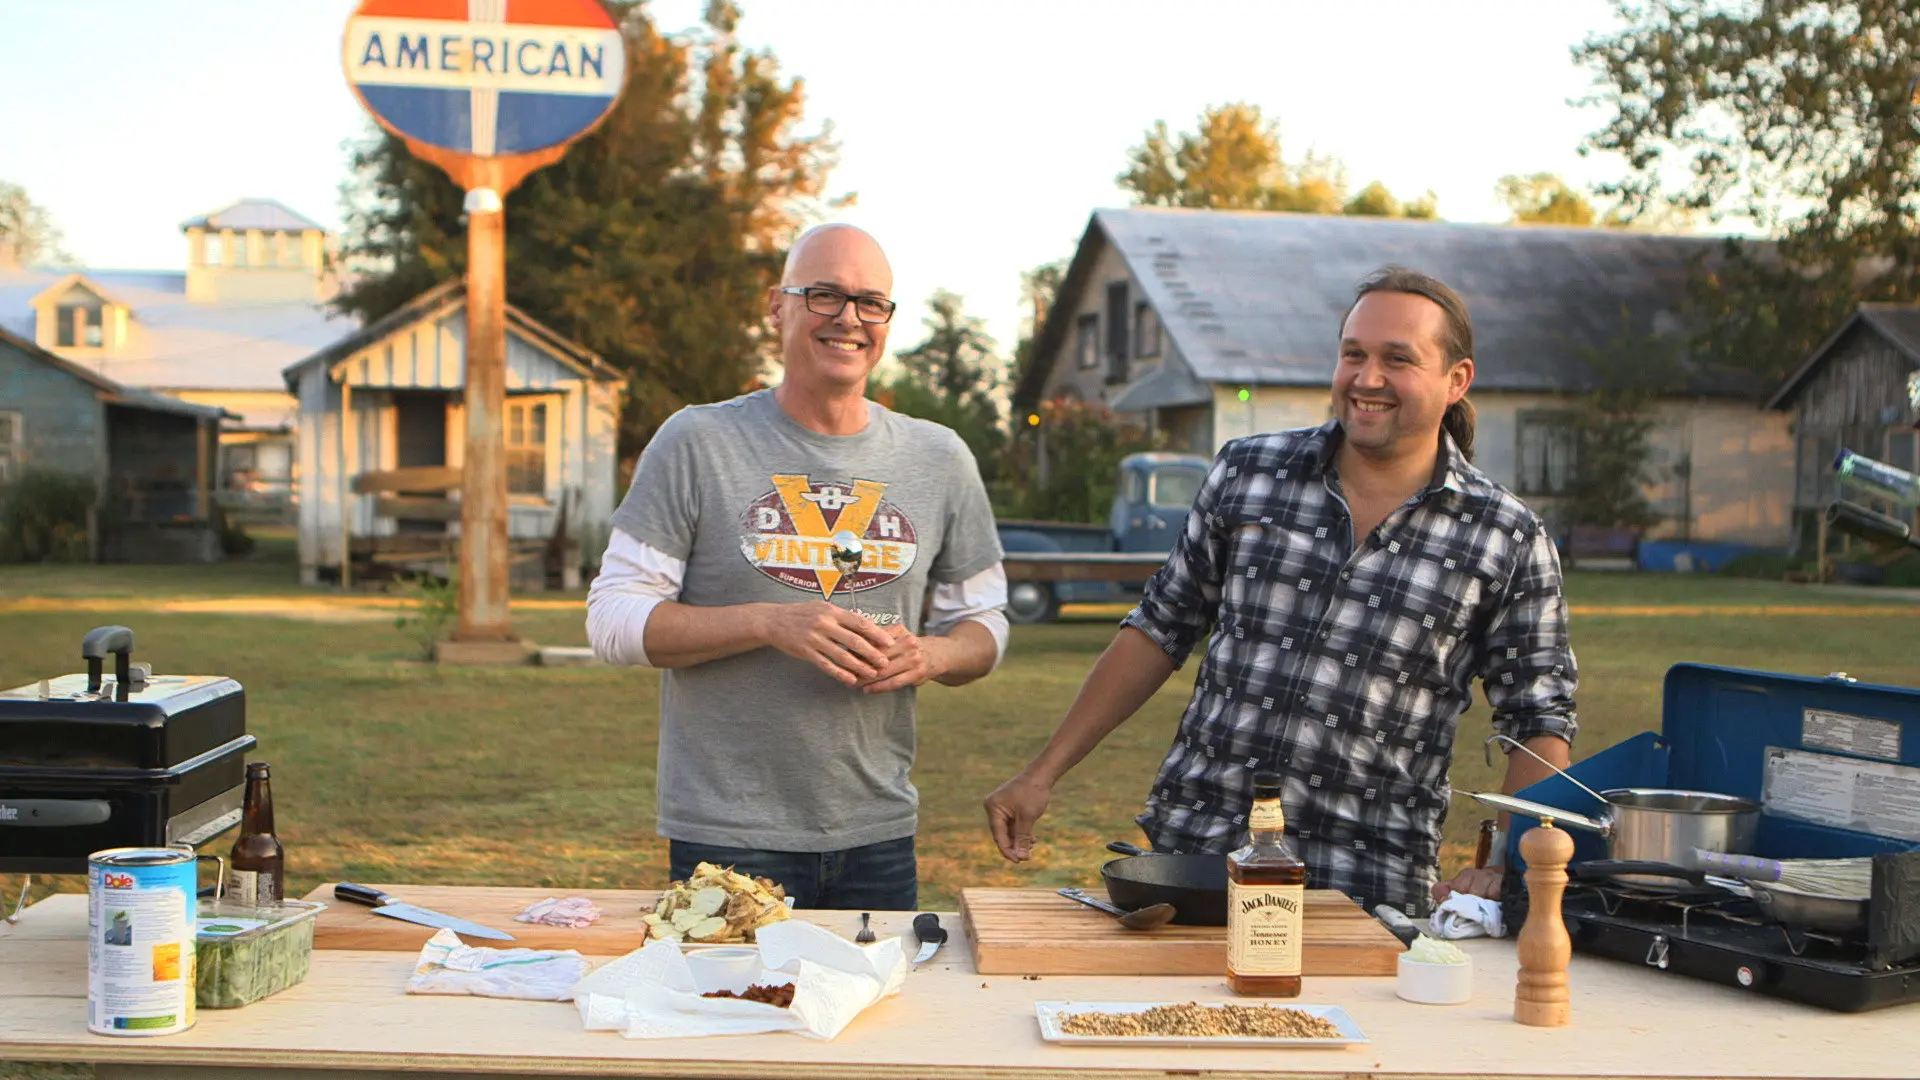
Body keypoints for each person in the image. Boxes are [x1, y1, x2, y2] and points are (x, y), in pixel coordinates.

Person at [983, 265, 1578, 916]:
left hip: (1363, 882)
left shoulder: (1506, 536)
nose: (1366, 378)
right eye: (1354, 354)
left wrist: (1502, 863)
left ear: (1456, 380)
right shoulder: (1249, 473)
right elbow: (1158, 628)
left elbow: (1537, 720)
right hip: (1200, 858)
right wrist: (1041, 774)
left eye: (1397, 360)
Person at [587, 224, 1009, 911]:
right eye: (824, 295)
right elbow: (611, 621)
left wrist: (932, 655)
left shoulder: (939, 459)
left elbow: (983, 623)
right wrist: (769, 622)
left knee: (871, 1015)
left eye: (871, 302)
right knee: (734, 1016)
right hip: (729, 833)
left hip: (877, 829)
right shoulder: (697, 441)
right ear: (777, 307)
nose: (849, 318)